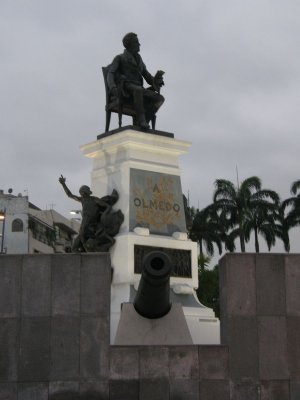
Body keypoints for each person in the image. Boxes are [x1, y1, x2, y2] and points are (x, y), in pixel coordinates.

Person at [107, 32, 165, 130]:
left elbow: (148, 78)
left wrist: (157, 80)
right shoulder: (120, 58)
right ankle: (141, 119)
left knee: (160, 98)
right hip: (126, 88)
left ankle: (145, 120)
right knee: (138, 90)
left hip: (139, 90)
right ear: (130, 44)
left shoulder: (139, 59)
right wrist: (113, 87)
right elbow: (110, 74)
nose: (139, 44)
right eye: (136, 42)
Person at [58, 175, 120, 252]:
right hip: (84, 225)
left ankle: (88, 250)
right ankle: (85, 252)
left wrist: (105, 215)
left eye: (82, 192)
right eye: (81, 192)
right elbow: (70, 195)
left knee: (86, 242)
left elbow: (108, 207)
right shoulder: (82, 200)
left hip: (91, 226)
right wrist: (63, 184)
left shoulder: (94, 199)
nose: (81, 193)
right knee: (74, 248)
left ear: (86, 192)